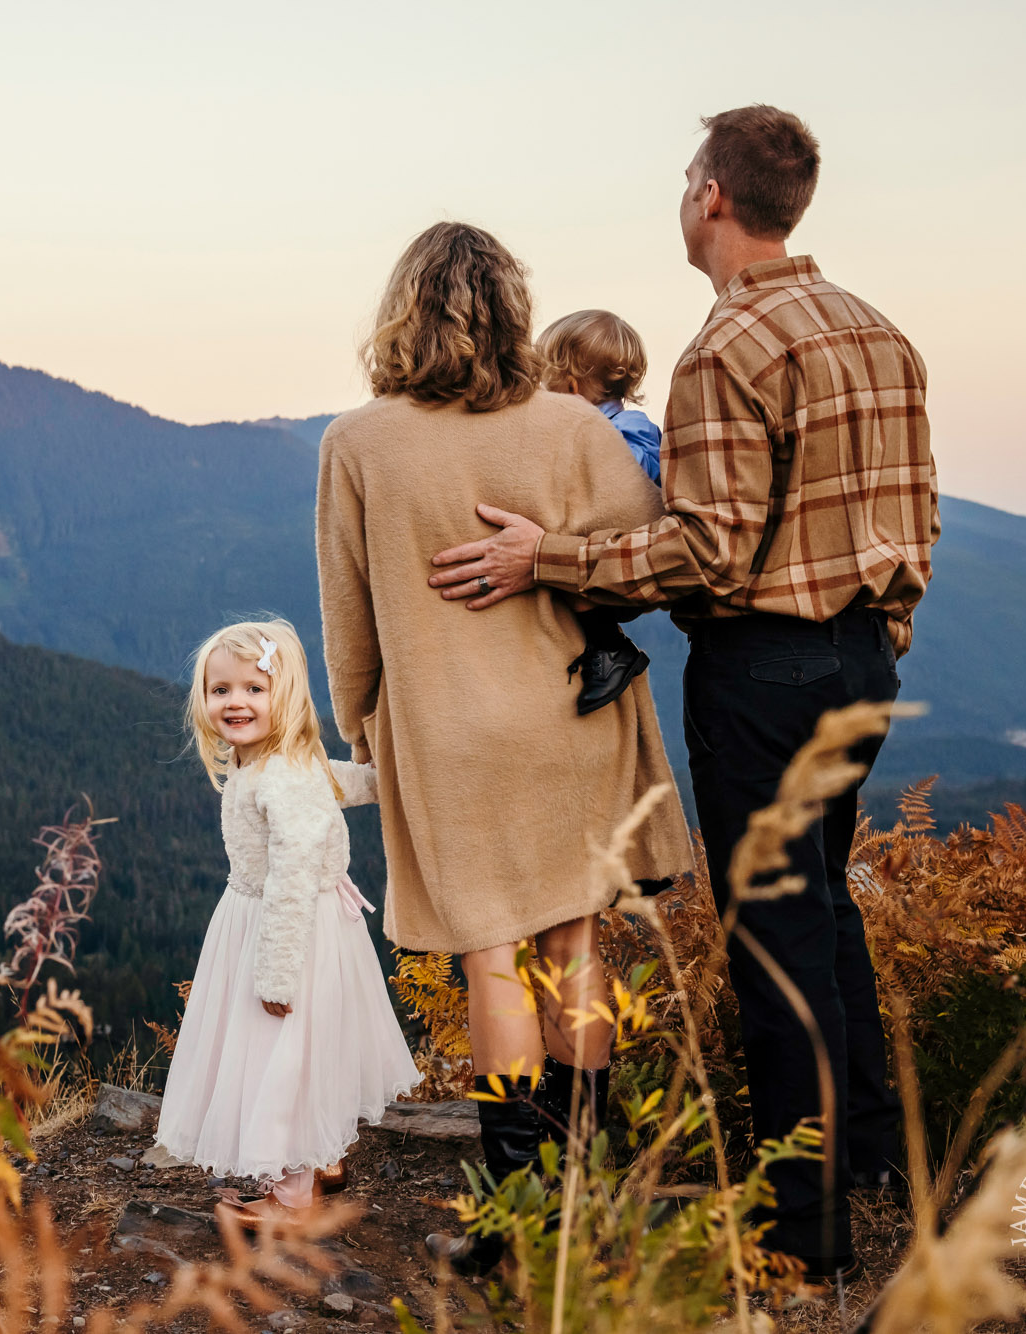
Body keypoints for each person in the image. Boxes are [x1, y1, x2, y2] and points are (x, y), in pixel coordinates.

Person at [427, 106, 938, 1284]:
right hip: (861, 658)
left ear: (710, 195)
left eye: (682, 178)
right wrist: (882, 636)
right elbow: (915, 515)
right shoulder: (877, 330)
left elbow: (702, 551)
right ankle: (868, 1160)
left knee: (772, 937)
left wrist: (541, 559)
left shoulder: (728, 347)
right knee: (823, 908)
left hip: (764, 666)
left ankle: (798, 1230)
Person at [314, 222, 693, 1275]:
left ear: (401, 311)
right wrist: (547, 565)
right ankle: (587, 1191)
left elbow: (347, 616)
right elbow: (638, 567)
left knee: (491, 961)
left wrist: (362, 722)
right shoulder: (572, 423)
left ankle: (510, 1208)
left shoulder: (356, 441)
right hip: (569, 713)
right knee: (575, 947)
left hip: (445, 729)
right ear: (512, 310)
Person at [152, 619, 420, 1225]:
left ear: (287, 697)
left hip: (287, 930)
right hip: (274, 919)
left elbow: (294, 877)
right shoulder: (280, 763)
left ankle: (293, 1200)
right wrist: (380, 779)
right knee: (309, 1046)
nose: (235, 702)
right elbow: (342, 782)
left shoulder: (282, 775)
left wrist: (277, 975)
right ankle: (324, 1159)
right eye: (221, 690)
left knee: (285, 1055)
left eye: (254, 688)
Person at [537, 309, 663, 714]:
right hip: (604, 549)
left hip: (620, 548)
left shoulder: (630, 426)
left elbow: (631, 478)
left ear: (570, 388)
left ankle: (611, 647)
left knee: (554, 555)